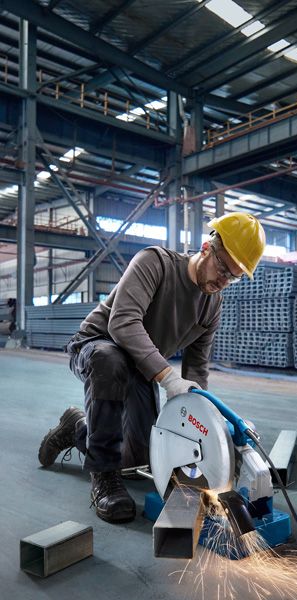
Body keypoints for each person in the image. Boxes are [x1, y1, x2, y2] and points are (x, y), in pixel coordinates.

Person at [38, 212, 266, 523]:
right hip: (96, 346)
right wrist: (169, 379)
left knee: (139, 458)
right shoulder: (155, 263)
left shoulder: (212, 304)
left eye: (233, 277)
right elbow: (122, 323)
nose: (223, 281)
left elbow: (196, 369)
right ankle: (103, 477)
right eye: (223, 268)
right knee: (110, 359)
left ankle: (76, 428)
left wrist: (201, 420)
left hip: (138, 365)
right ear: (205, 249)